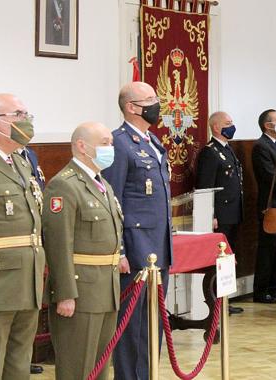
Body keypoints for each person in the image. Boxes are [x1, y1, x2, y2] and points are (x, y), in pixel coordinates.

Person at [103, 81, 173, 380]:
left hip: (158, 247)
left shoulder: (152, 142)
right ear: (131, 107)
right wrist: (118, 250)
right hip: (135, 248)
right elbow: (112, 200)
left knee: (152, 322)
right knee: (133, 327)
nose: (157, 104)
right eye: (150, 99)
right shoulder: (118, 143)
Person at [43, 122, 122, 380]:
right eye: (104, 142)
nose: (110, 148)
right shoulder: (64, 185)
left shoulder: (102, 184)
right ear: (81, 146)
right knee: (77, 367)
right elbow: (58, 244)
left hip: (106, 289)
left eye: (110, 143)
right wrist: (65, 293)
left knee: (100, 367)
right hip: (81, 291)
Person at [0, 94, 45, 380]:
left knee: (18, 361)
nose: (25, 121)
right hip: (1, 279)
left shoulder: (22, 163)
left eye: (27, 114)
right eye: (18, 114)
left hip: (28, 277)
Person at [195, 111, 244, 315]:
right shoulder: (210, 151)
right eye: (228, 123)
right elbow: (205, 186)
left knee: (228, 258)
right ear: (216, 127)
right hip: (220, 214)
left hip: (233, 211)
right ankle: (216, 298)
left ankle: (225, 297)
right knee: (219, 258)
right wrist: (211, 214)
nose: (231, 126)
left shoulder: (226, 149)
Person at [251, 109, 276, 304]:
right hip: (270, 203)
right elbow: (270, 175)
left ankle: (275, 287)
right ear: (268, 125)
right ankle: (261, 290)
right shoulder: (261, 146)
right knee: (267, 249)